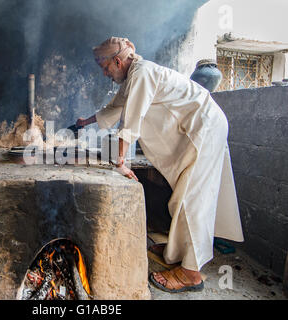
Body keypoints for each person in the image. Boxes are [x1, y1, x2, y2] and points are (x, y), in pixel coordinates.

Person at [76, 37, 244, 293]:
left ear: (118, 61)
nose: (105, 73)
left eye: (105, 67)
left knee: (191, 199)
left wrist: (121, 162)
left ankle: (191, 274)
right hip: (196, 129)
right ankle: (177, 251)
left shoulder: (142, 73)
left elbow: (130, 122)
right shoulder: (133, 77)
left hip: (204, 128)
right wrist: (83, 123)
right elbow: (115, 108)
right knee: (185, 196)